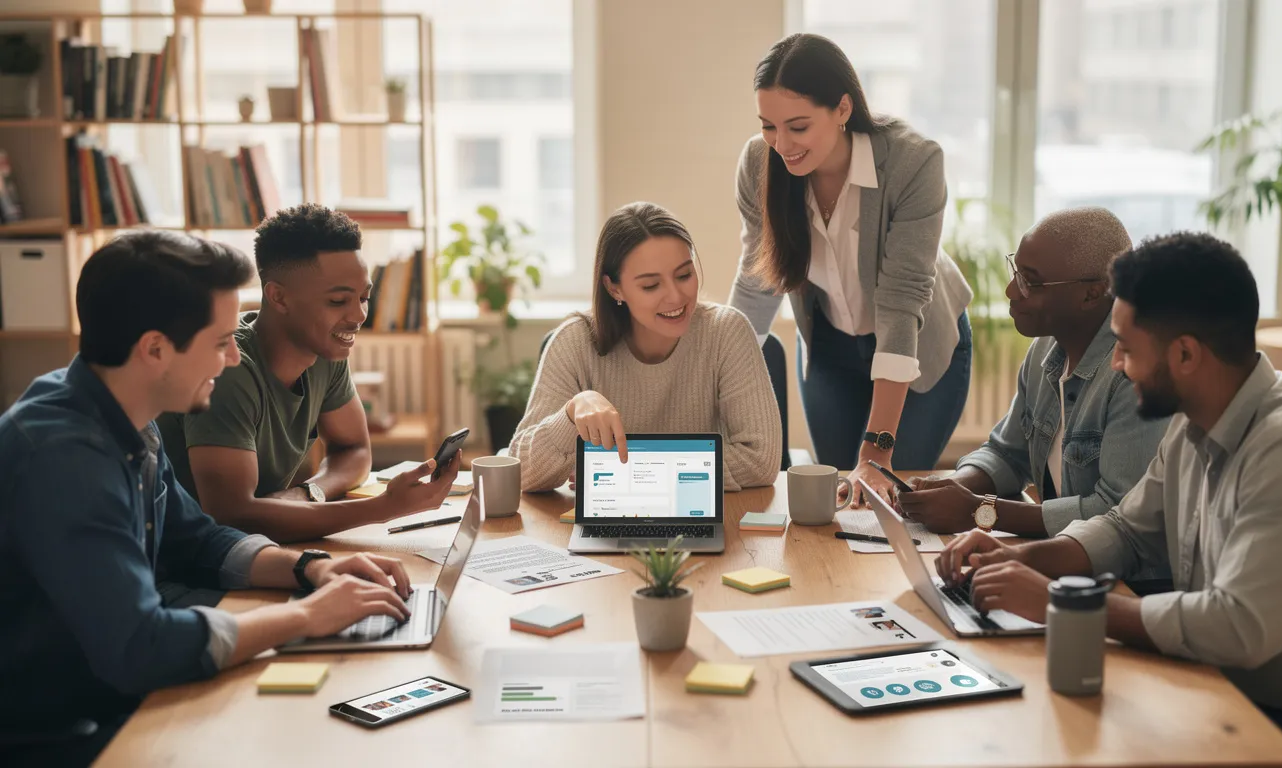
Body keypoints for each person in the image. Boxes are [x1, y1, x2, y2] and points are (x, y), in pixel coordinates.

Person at [0, 231, 419, 766]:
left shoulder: (125, 415)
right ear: (155, 350)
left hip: (104, 686)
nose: (232, 358)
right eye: (221, 341)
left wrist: (311, 570)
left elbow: (197, 537)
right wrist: (305, 618)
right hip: (58, 729)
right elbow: (139, 647)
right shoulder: (64, 458)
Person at [935, 232, 1282, 765]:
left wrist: (1065, 605)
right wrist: (1017, 558)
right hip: (1208, 687)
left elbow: (1239, 627)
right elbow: (1125, 528)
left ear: (1185, 354)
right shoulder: (1194, 419)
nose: (1117, 365)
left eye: (1126, 348)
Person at [728, 33, 974, 507]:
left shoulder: (913, 161)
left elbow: (902, 303)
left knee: (889, 498)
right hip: (831, 347)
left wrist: (876, 453)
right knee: (838, 501)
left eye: (798, 127)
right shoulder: (759, 162)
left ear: (842, 109)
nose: (782, 145)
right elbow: (757, 285)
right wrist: (710, 377)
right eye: (768, 126)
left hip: (919, 347)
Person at [157, 204, 458, 543]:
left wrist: (307, 493)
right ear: (278, 297)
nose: (358, 315)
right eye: (338, 301)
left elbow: (355, 450)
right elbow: (232, 517)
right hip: (194, 561)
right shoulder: (229, 370)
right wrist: (383, 508)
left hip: (258, 551)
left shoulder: (325, 352)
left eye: (364, 297)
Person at [900, 208, 1170, 547]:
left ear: (1092, 293)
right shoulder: (1045, 350)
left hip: (1130, 583)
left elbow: (1116, 512)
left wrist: (979, 512)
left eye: (1031, 281)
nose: (1012, 291)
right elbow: (1008, 453)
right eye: (1017, 273)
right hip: (1068, 559)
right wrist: (957, 485)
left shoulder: (1133, 375)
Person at [510, 201, 781, 493]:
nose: (676, 297)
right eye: (651, 285)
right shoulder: (574, 341)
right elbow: (520, 472)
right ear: (614, 288)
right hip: (605, 523)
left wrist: (618, 471)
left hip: (700, 515)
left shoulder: (725, 332)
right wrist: (571, 413)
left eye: (684, 275)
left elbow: (760, 460)